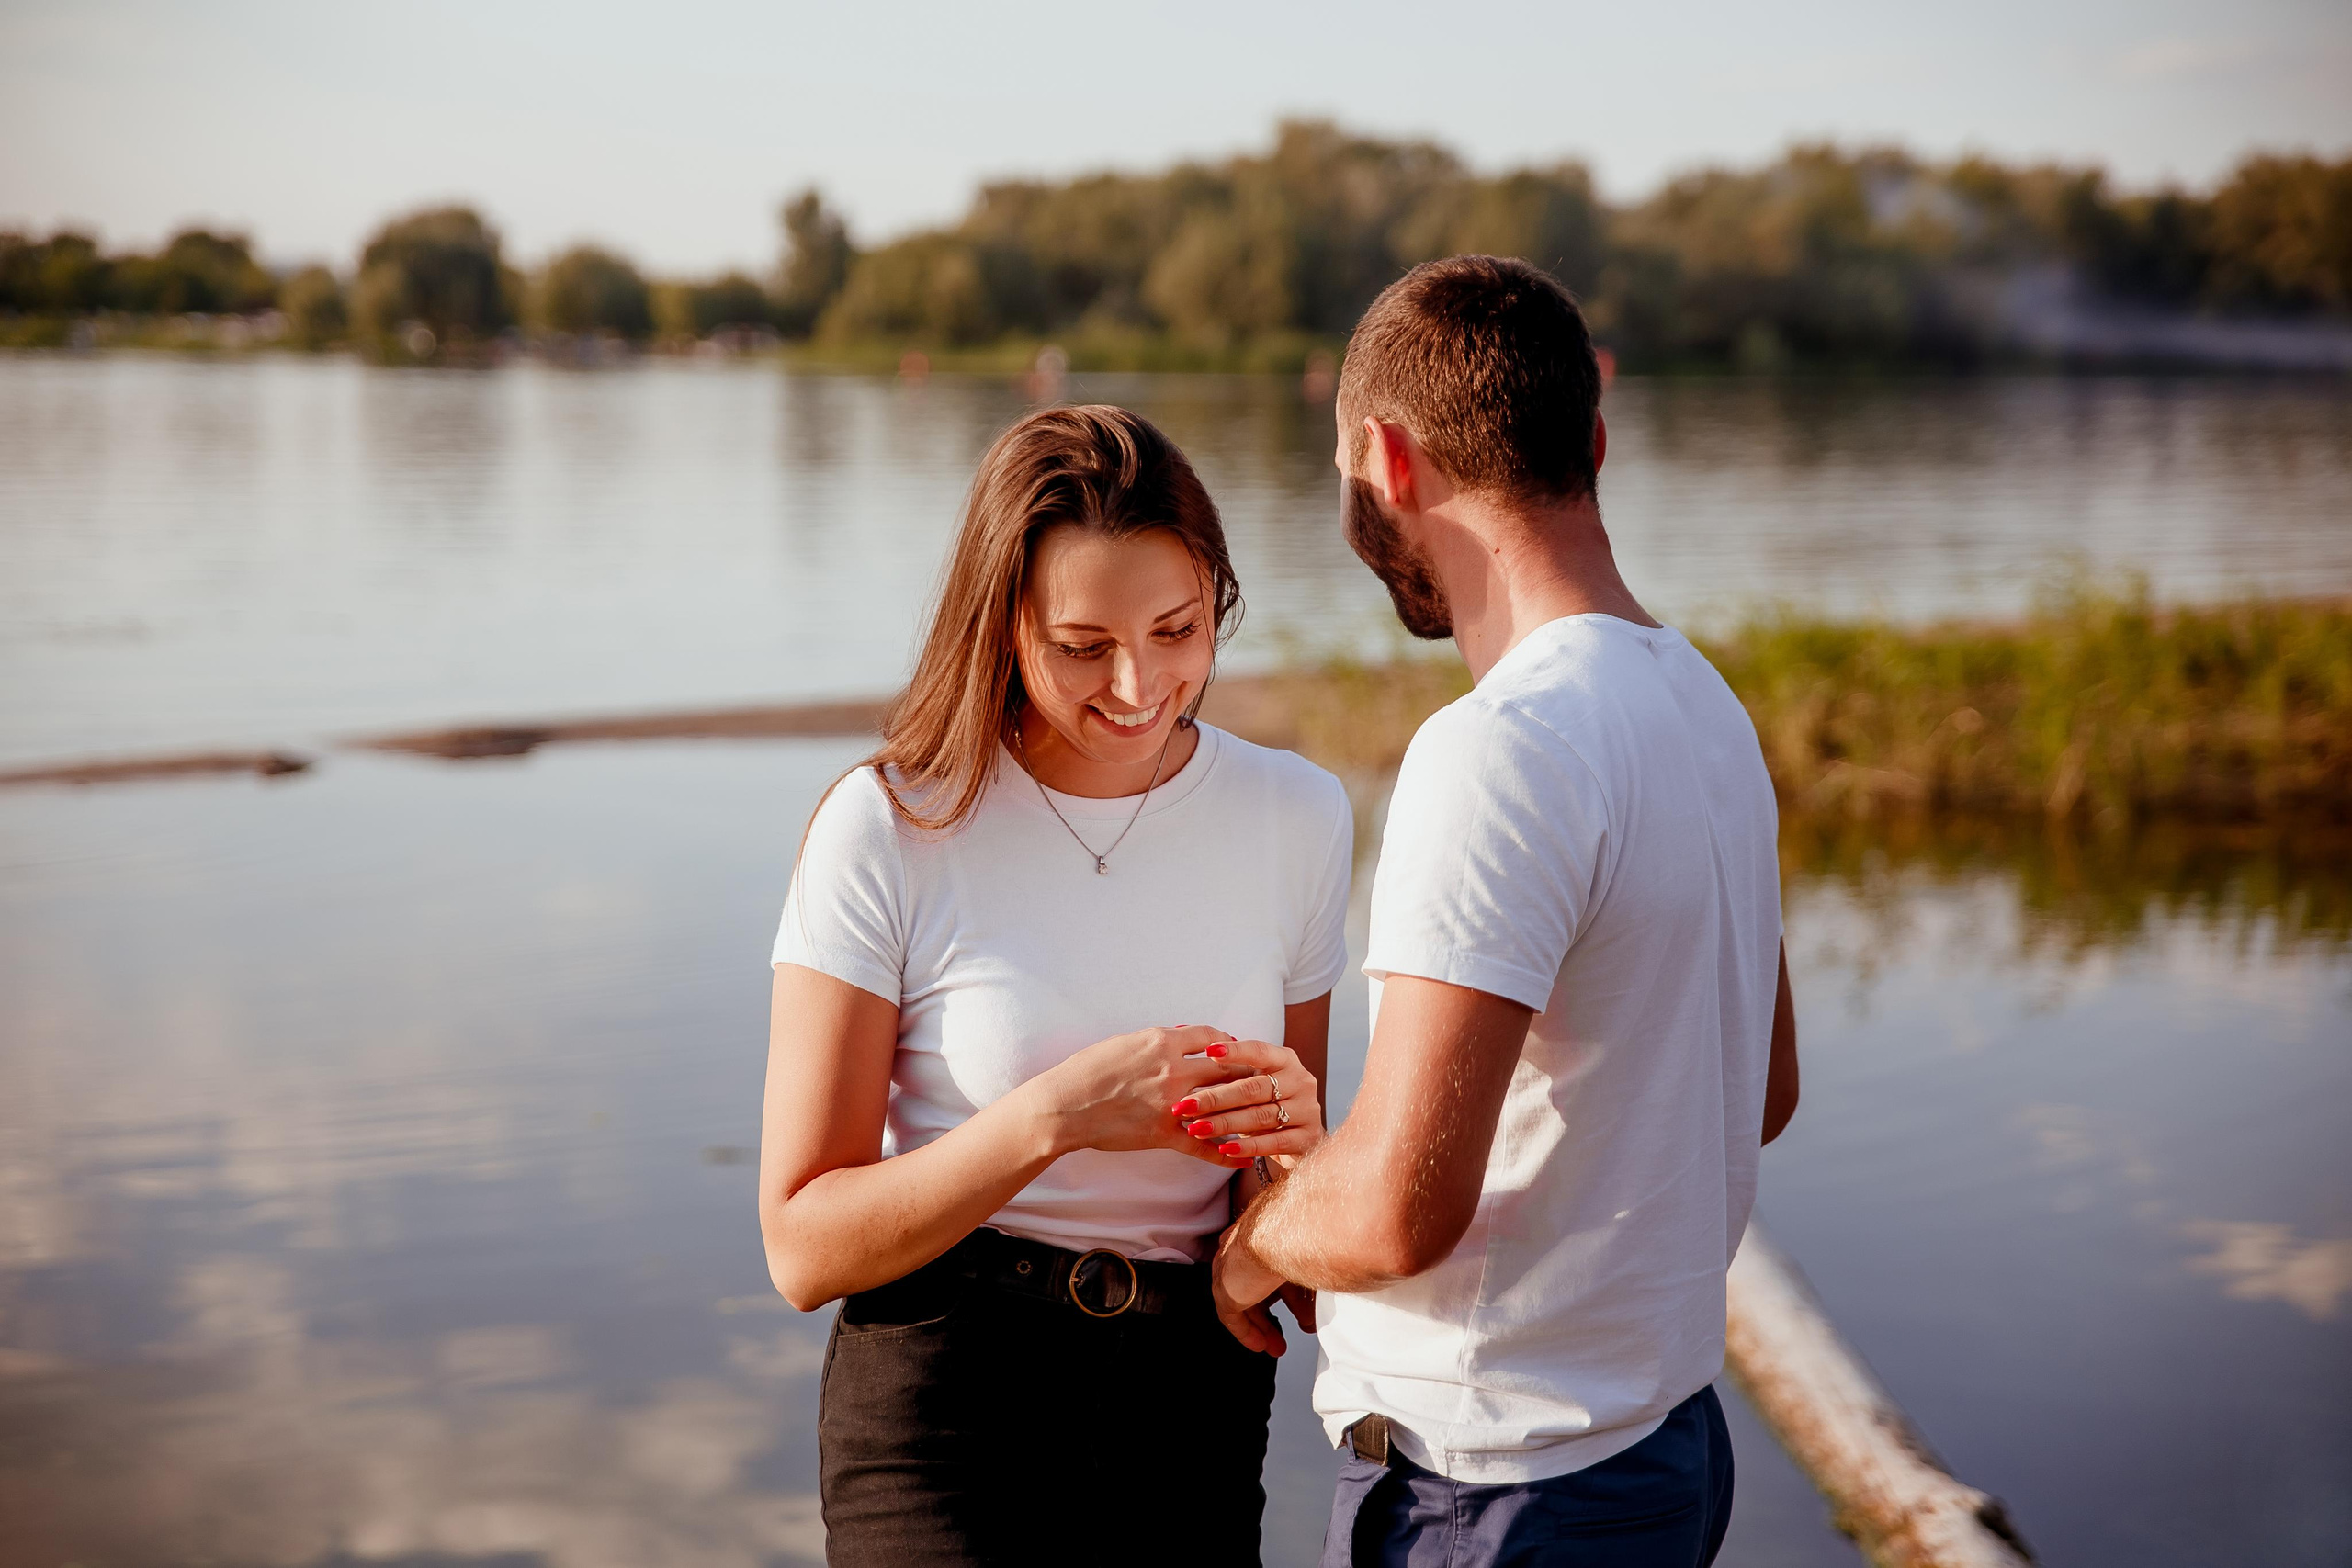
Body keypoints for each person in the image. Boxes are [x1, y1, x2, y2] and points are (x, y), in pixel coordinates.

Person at [1193, 256, 1802, 1567]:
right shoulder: (1708, 703)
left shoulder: (1499, 747)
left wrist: (1253, 1243)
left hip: (1503, 1490)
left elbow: (1397, 1208)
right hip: (1667, 1449)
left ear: (1384, 460)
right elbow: (1763, 1087)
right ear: (1593, 440)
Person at [758, 404, 1350, 1567]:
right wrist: (1053, 1119)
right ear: (1002, 627)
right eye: (1082, 646)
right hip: (943, 1399)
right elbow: (802, 1247)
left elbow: (1279, 1206)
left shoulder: (1297, 815)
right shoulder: (889, 826)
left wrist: (1291, 1172)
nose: (1140, 683)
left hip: (1195, 1399)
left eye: (1178, 629)